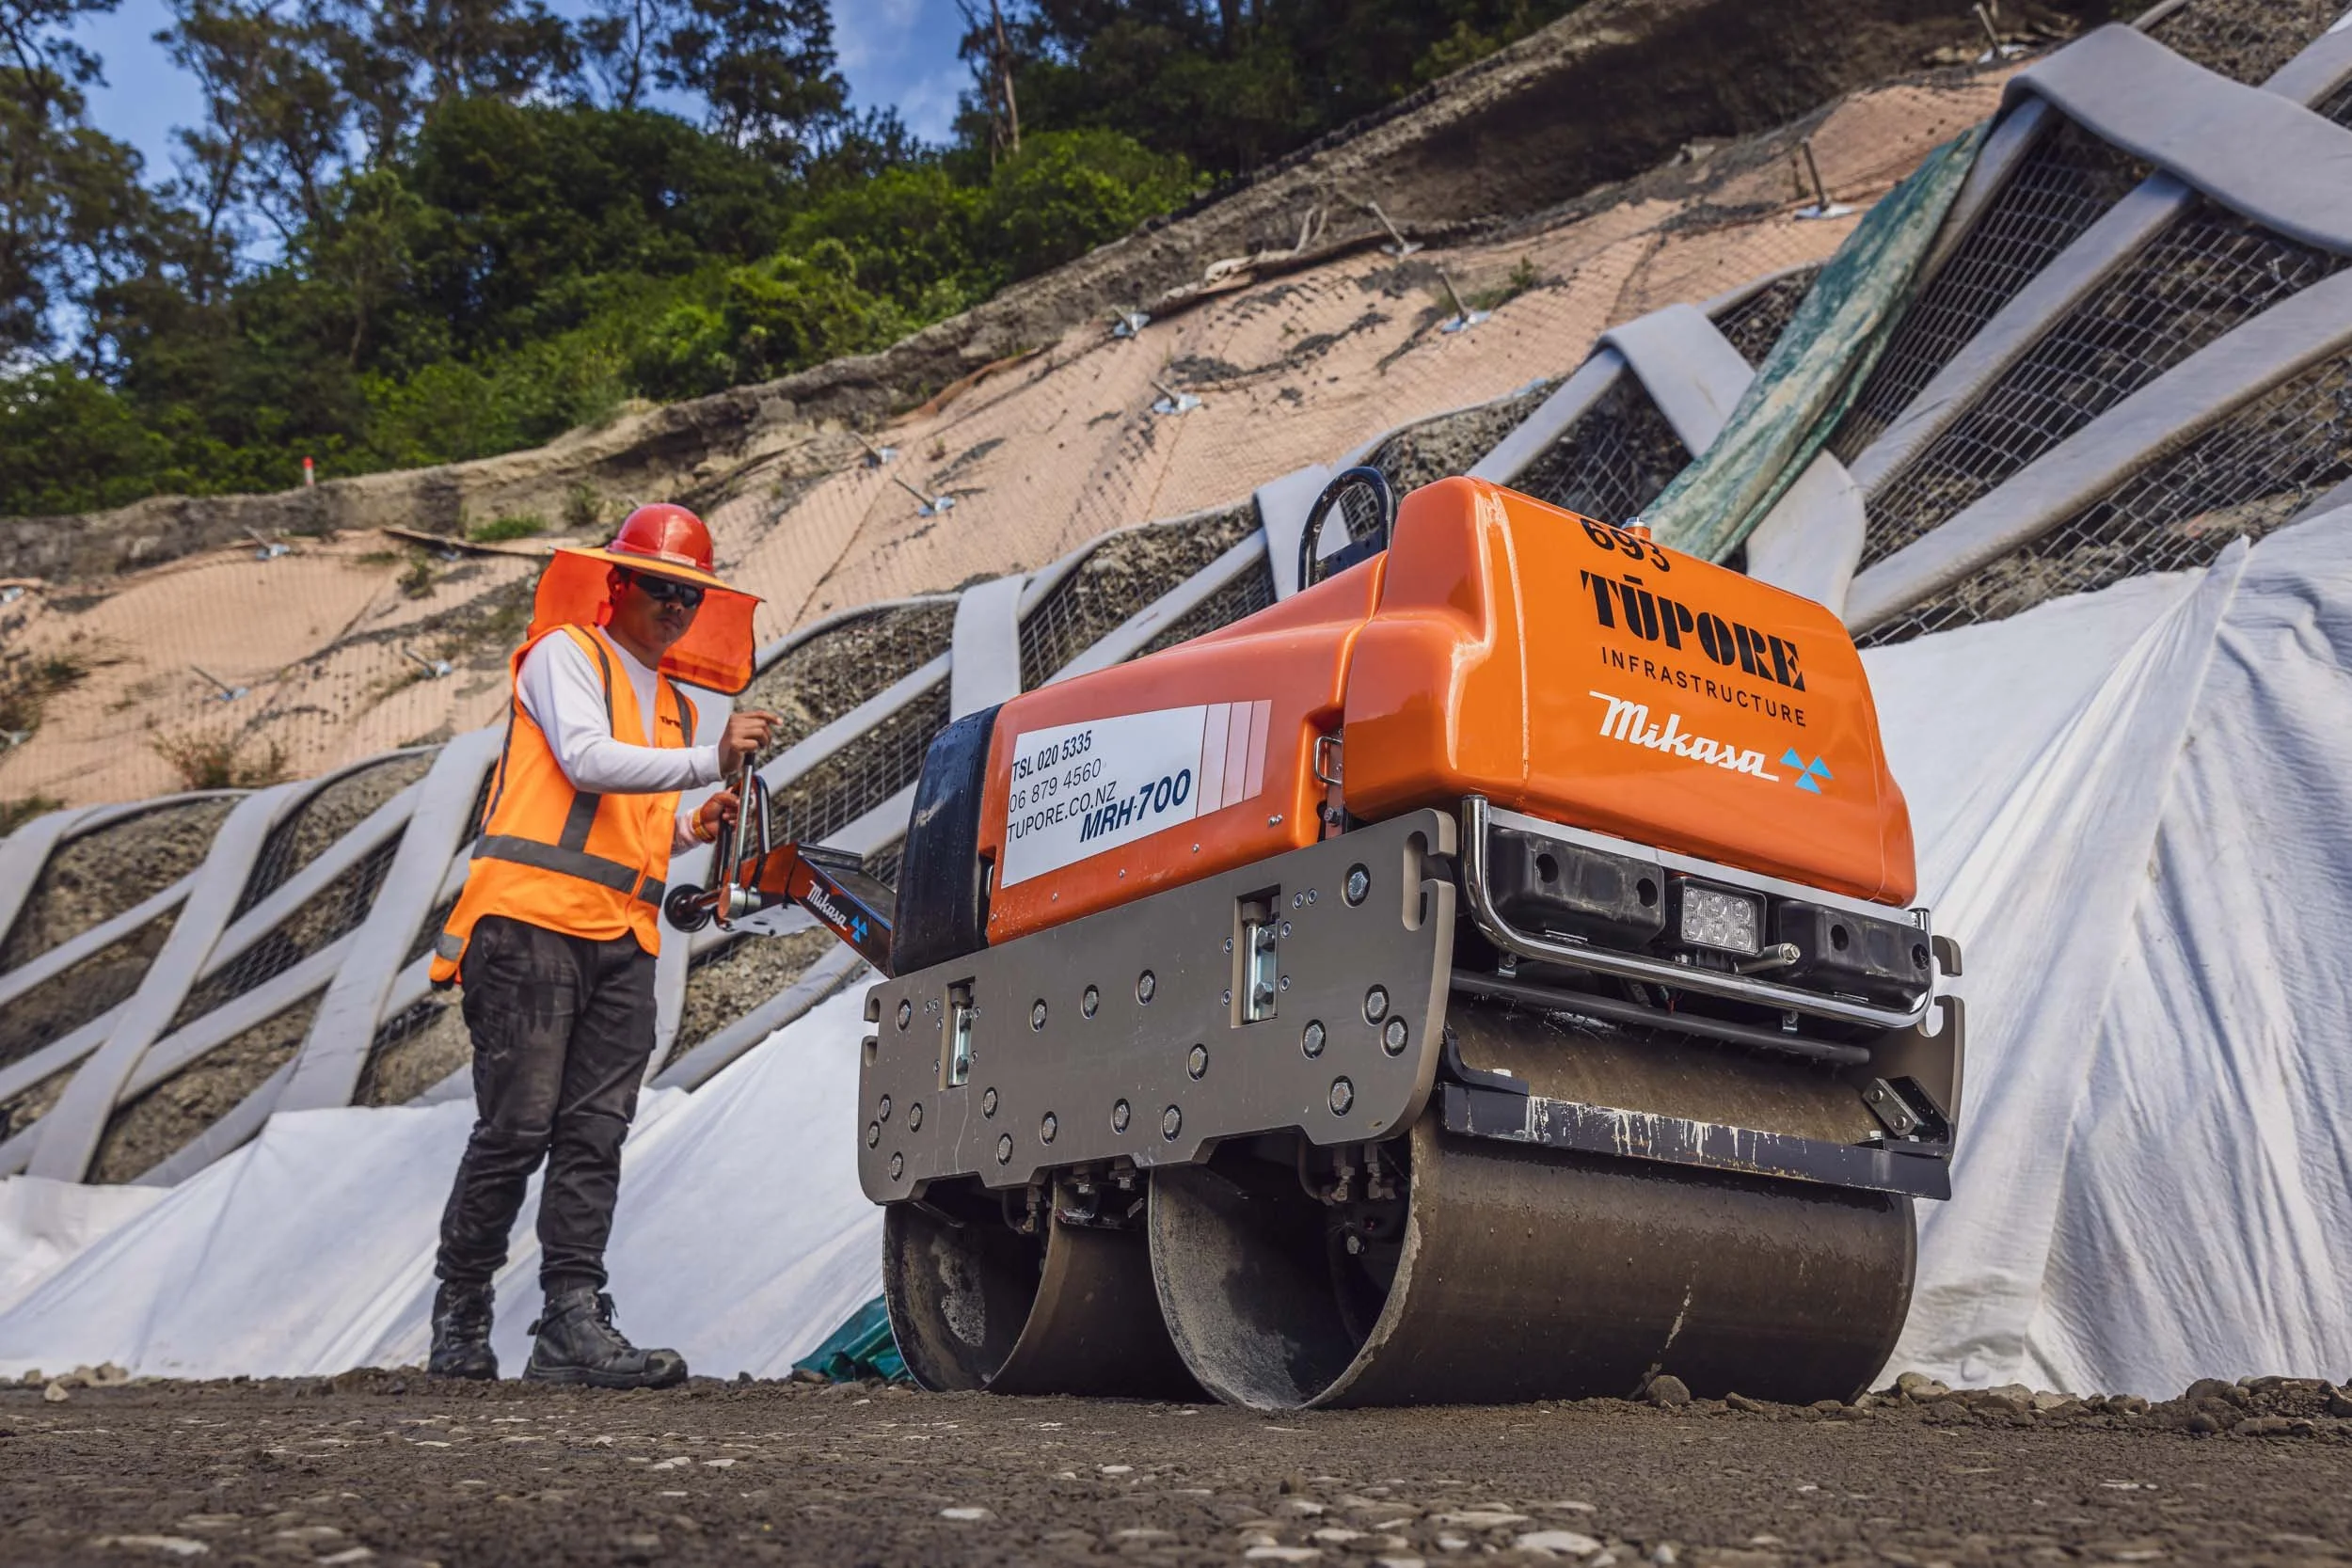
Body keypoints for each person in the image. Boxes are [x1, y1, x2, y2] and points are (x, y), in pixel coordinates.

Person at [422, 502, 777, 1387]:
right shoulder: (564, 656)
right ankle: (460, 1314)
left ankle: (570, 1322)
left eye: (688, 597)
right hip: (530, 924)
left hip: (621, 937)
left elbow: (627, 821)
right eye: (659, 588)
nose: (675, 608)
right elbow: (583, 759)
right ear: (615, 583)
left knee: (594, 1134)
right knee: (515, 1128)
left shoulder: (667, 704)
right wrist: (709, 761)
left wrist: (696, 823)